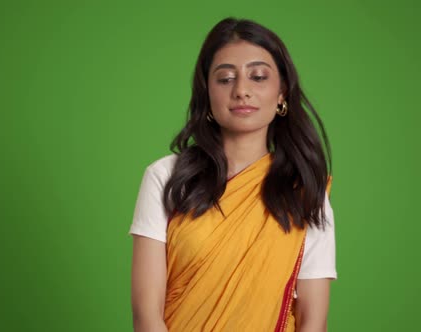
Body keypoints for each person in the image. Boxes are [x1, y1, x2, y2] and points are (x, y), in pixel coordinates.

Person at [129, 17, 337, 332]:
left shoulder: (305, 192)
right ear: (207, 94)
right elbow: (146, 314)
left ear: (281, 93)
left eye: (258, 77)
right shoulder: (166, 177)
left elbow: (312, 320)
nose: (241, 90)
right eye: (225, 78)